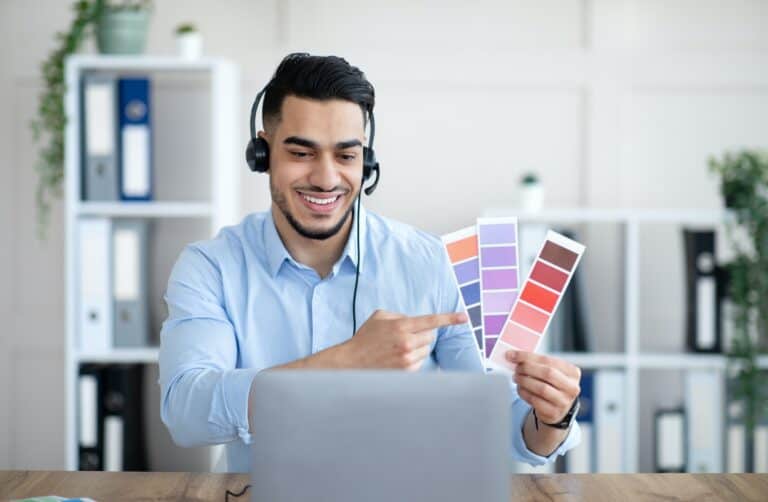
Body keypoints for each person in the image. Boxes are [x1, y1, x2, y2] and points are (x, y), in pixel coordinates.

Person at [159, 53, 582, 473]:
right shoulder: (210, 267)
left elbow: (505, 426)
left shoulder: (432, 264)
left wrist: (552, 417)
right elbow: (186, 412)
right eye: (302, 153)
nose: (326, 179)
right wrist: (346, 362)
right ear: (262, 153)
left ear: (368, 161)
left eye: (346, 156)